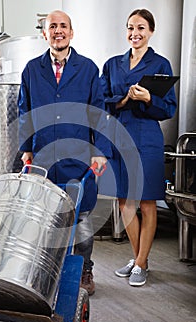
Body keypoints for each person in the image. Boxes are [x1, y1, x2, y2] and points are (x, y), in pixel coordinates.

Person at [17, 10, 111, 295]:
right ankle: (47, 270)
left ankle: (84, 270)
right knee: (46, 218)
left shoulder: (88, 68)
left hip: (78, 155)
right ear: (44, 34)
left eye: (63, 26)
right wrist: (26, 149)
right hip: (44, 155)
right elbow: (25, 112)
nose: (58, 31)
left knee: (80, 218)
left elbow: (99, 112)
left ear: (71, 32)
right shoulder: (32, 69)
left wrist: (101, 151)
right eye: (52, 27)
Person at [100, 8, 177, 286]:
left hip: (146, 138)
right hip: (120, 135)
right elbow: (103, 99)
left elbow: (169, 107)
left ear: (151, 32)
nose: (135, 33)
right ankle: (138, 259)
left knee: (146, 201)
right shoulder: (112, 64)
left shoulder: (161, 64)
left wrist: (146, 99)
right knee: (124, 200)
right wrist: (123, 100)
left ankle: (141, 263)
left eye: (141, 28)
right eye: (131, 27)